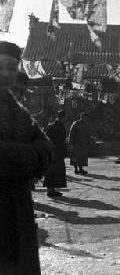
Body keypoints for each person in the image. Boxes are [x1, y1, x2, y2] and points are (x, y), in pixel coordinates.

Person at [0, 41, 52, 275]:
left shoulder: (18, 111)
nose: (5, 74)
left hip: (19, 214)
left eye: (11, 68)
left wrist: (15, 155)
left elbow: (48, 149)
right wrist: (30, 155)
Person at [44, 110, 68, 196]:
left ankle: (53, 189)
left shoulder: (60, 126)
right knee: (51, 171)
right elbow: (48, 140)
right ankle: (50, 190)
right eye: (65, 117)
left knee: (57, 171)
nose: (65, 119)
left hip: (58, 152)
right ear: (62, 117)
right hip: (54, 152)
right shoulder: (52, 127)